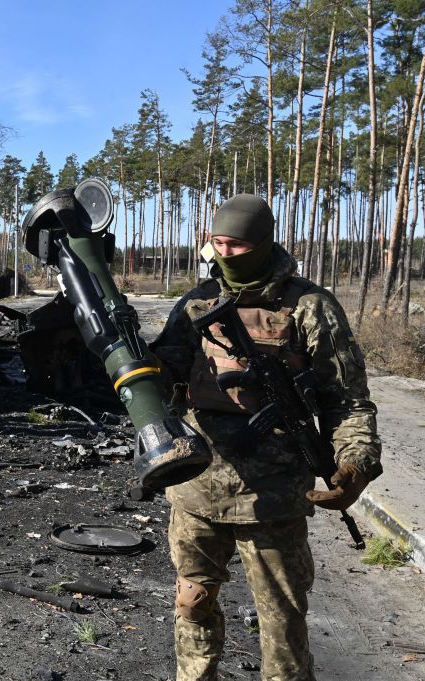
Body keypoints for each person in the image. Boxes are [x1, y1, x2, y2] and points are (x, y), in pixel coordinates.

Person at [150, 194, 382, 681]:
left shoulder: (309, 307)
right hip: (197, 488)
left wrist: (355, 462)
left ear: (263, 243)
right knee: (192, 604)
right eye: (218, 243)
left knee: (282, 626)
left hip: (274, 496)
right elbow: (158, 378)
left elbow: (347, 399)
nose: (225, 254)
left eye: (237, 245)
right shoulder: (196, 303)